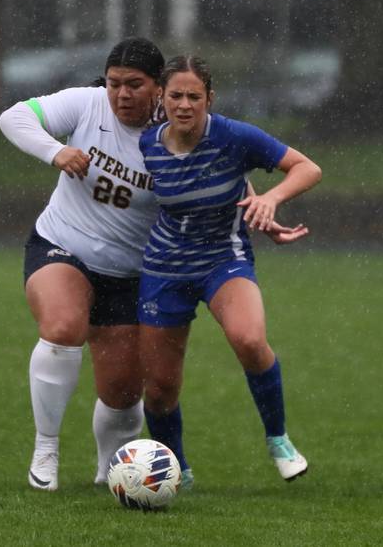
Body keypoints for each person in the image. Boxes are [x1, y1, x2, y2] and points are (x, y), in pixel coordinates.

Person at [0, 37, 307, 492]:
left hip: (134, 271)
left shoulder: (172, 131)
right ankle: (46, 449)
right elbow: (14, 117)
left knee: (125, 393)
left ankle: (110, 473)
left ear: (157, 89)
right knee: (63, 326)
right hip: (63, 245)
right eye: (114, 84)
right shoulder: (87, 105)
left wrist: (258, 211)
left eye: (134, 85)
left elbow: (217, 174)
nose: (121, 94)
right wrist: (55, 150)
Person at [137, 55, 322, 482]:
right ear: (162, 98)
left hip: (224, 258)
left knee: (249, 339)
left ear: (209, 98)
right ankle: (176, 469)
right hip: (164, 266)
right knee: (161, 389)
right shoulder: (148, 144)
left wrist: (269, 201)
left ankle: (278, 438)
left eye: (194, 96)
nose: (185, 104)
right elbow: (218, 180)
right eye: (176, 95)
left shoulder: (235, 135)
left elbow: (307, 168)